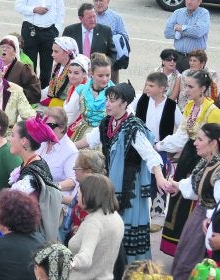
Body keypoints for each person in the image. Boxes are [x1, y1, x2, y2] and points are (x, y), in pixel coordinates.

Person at [75, 82, 167, 262]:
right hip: (111, 182)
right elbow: (89, 140)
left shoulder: (133, 127)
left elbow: (151, 155)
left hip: (129, 187)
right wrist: (63, 145)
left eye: (113, 100)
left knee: (126, 227)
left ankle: (129, 267)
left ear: (125, 104)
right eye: (107, 99)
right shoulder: (107, 123)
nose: (108, 104)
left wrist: (160, 177)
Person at [156, 69, 220, 256]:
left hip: (204, 161)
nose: (185, 90)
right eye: (185, 86)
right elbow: (182, 135)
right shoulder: (191, 106)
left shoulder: (213, 112)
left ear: (202, 89)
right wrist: (159, 146)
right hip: (188, 156)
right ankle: (179, 248)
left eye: (190, 87)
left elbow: (215, 144)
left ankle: (196, 251)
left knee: (194, 203)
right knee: (179, 201)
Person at [163, 123, 220, 278]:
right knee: (184, 257)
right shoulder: (206, 161)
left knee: (193, 264)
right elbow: (195, 185)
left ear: (213, 143)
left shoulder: (218, 170)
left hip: (209, 221)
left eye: (200, 139)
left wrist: (213, 226)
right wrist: (176, 185)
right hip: (198, 216)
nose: (195, 143)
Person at [129, 72, 182, 233]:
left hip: (160, 149)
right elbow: (129, 111)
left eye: (151, 86)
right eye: (146, 84)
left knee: (158, 182)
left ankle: (157, 215)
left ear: (162, 89)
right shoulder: (141, 100)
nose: (146, 88)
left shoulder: (172, 106)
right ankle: (135, 213)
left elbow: (181, 129)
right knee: (135, 179)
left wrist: (167, 145)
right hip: (140, 146)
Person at [8, 116, 62, 241]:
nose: (8, 139)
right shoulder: (35, 163)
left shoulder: (30, 176)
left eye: (12, 135)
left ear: (24, 141)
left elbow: (10, 206)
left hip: (32, 239)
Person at [68, 174, 124, 279]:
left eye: (79, 192)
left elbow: (85, 257)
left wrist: (68, 265)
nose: (77, 195)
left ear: (88, 195)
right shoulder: (116, 218)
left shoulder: (93, 223)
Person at [14, 0, 64, 89]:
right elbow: (18, 6)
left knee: (47, 64)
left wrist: (57, 29)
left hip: (50, 30)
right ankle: (31, 90)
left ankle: (44, 90)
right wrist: (34, 9)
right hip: (30, 29)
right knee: (30, 63)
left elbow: (60, 10)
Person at [64, 52, 114, 141]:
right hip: (84, 134)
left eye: (108, 75)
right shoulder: (81, 90)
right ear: (91, 73)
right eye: (100, 75)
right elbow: (69, 115)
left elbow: (126, 115)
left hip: (106, 135)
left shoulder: (115, 92)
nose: (105, 79)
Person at [37, 107, 78, 204]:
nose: (45, 130)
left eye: (49, 126)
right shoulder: (42, 143)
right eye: (43, 126)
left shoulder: (71, 151)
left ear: (62, 127)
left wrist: (49, 186)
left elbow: (72, 181)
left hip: (55, 202)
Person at [163, 0, 209, 73]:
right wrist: (186, 31)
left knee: (192, 82)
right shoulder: (178, 12)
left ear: (199, 1)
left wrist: (181, 28)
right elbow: (167, 33)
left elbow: (197, 32)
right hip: (177, 56)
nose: (189, 2)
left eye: (193, 0)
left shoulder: (203, 13)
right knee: (174, 81)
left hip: (195, 58)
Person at [94, 0, 129, 82]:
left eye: (101, 1)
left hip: (110, 61)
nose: (98, 3)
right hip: (92, 60)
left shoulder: (116, 17)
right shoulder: (90, 16)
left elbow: (125, 38)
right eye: (96, 1)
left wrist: (111, 40)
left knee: (112, 90)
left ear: (108, 1)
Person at [0, 35, 41, 104]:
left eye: (8, 47)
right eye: (2, 47)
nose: (4, 49)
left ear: (15, 52)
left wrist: (13, 93)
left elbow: (35, 94)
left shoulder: (22, 68)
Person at [42, 36, 79, 108]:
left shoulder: (74, 69)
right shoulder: (57, 66)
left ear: (67, 52)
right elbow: (53, 87)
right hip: (57, 102)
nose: (52, 54)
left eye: (56, 51)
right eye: (52, 51)